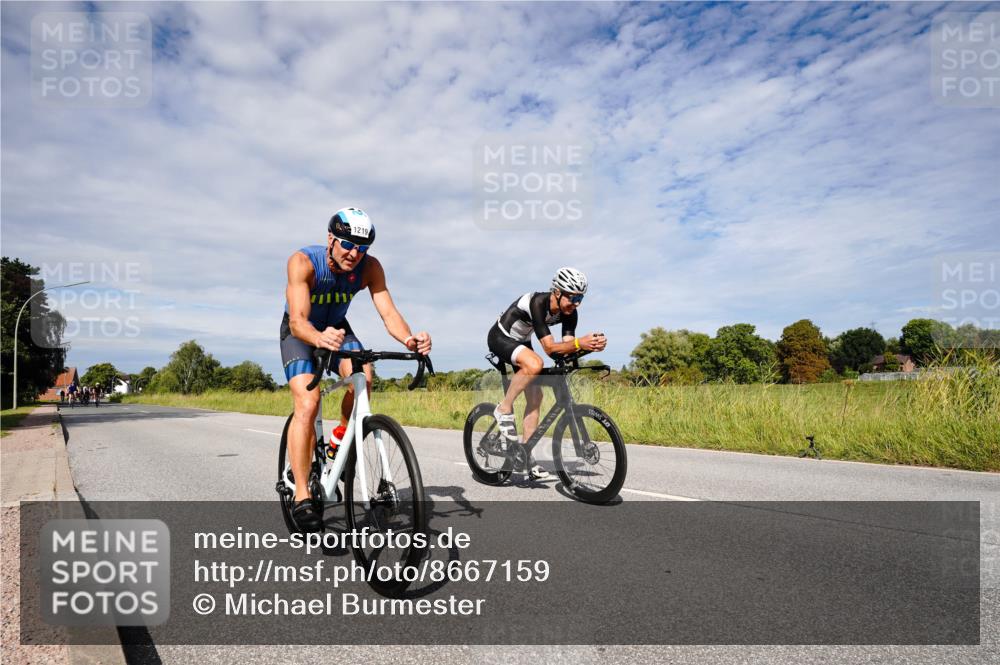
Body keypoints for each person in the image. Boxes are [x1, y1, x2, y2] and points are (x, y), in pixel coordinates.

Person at [281, 206, 431, 531]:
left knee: (365, 377)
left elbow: (388, 313)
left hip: (337, 328)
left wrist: (409, 339)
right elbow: (296, 321)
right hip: (302, 333)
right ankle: (302, 494)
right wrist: (319, 337)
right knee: (308, 403)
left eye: (362, 249)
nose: (354, 254)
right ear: (331, 239)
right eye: (347, 245)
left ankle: (339, 440)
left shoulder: (369, 268)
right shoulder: (304, 262)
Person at [487, 267, 607, 478]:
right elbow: (550, 348)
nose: (577, 302)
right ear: (558, 292)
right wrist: (581, 342)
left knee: (536, 397)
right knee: (534, 364)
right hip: (500, 337)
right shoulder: (538, 303)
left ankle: (525, 455)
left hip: (522, 342)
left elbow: (566, 348)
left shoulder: (571, 313)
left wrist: (589, 346)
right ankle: (503, 408)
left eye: (580, 297)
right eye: (573, 297)